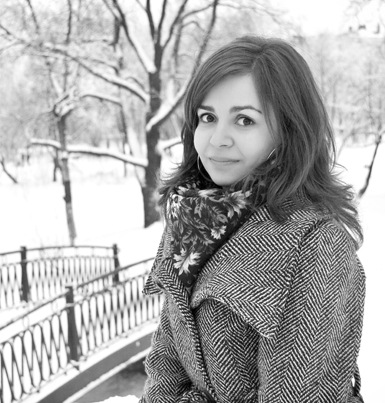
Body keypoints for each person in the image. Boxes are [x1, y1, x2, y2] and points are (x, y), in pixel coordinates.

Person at [140, 36, 365, 403]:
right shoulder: (194, 220)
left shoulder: (314, 243)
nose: (217, 140)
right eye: (208, 118)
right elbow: (167, 363)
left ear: (288, 130)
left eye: (244, 120)